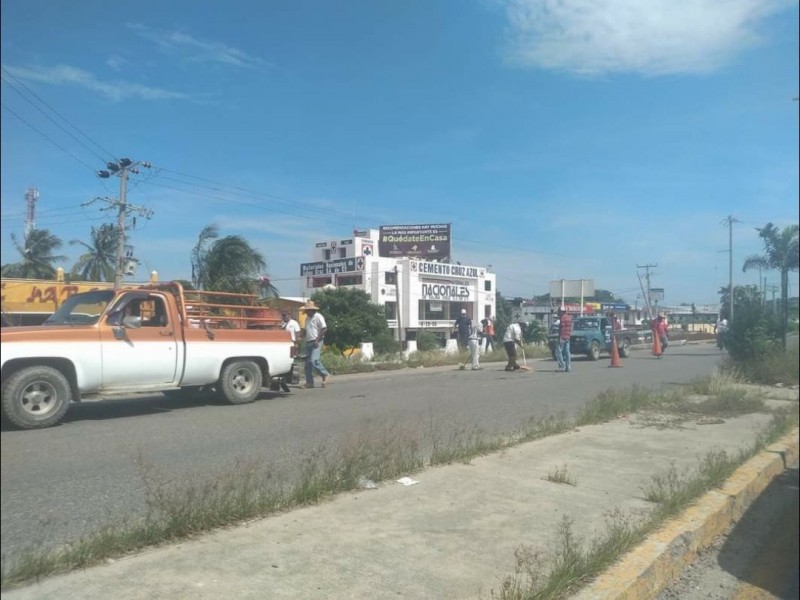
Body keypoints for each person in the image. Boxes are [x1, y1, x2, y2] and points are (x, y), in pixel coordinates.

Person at [301, 301, 331, 388]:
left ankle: (325, 374)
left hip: (317, 340)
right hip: (309, 341)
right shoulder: (307, 319)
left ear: (312, 310)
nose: (306, 312)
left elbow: (324, 328)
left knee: (314, 360)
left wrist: (317, 340)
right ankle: (309, 382)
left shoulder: (318, 316)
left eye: (308, 310)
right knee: (308, 363)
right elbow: (306, 331)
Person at [555, 307, 572, 372]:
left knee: (558, 352)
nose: (558, 313)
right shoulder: (569, 318)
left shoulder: (563, 318)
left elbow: (562, 327)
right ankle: (568, 367)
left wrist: (560, 337)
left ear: (562, 312)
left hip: (563, 336)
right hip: (568, 337)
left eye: (559, 312)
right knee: (567, 352)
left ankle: (562, 366)